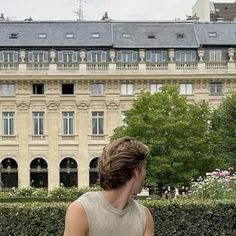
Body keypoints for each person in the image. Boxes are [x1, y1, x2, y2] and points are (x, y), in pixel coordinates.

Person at [64, 136, 154, 236]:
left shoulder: (144, 216)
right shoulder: (81, 210)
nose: (145, 173)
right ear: (136, 171)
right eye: (144, 167)